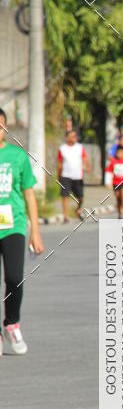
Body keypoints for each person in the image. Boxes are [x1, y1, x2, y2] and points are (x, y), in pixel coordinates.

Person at [0, 107, 44, 355]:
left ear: (5, 127)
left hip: (13, 226)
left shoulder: (17, 157)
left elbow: (29, 194)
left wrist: (34, 231)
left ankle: (11, 323)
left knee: (14, 277)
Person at [58, 129, 90, 222]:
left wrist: (88, 167)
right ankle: (65, 216)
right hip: (65, 175)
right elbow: (60, 163)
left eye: (75, 136)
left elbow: (85, 158)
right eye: (72, 136)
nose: (75, 138)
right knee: (65, 196)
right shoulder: (62, 148)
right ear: (67, 137)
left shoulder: (80, 147)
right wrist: (59, 175)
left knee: (81, 197)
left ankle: (78, 209)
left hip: (77, 176)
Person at [106, 145, 123, 219]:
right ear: (116, 153)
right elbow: (109, 171)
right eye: (118, 153)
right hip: (116, 183)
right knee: (118, 198)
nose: (120, 154)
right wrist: (108, 182)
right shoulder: (113, 161)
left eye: (122, 153)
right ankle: (120, 213)